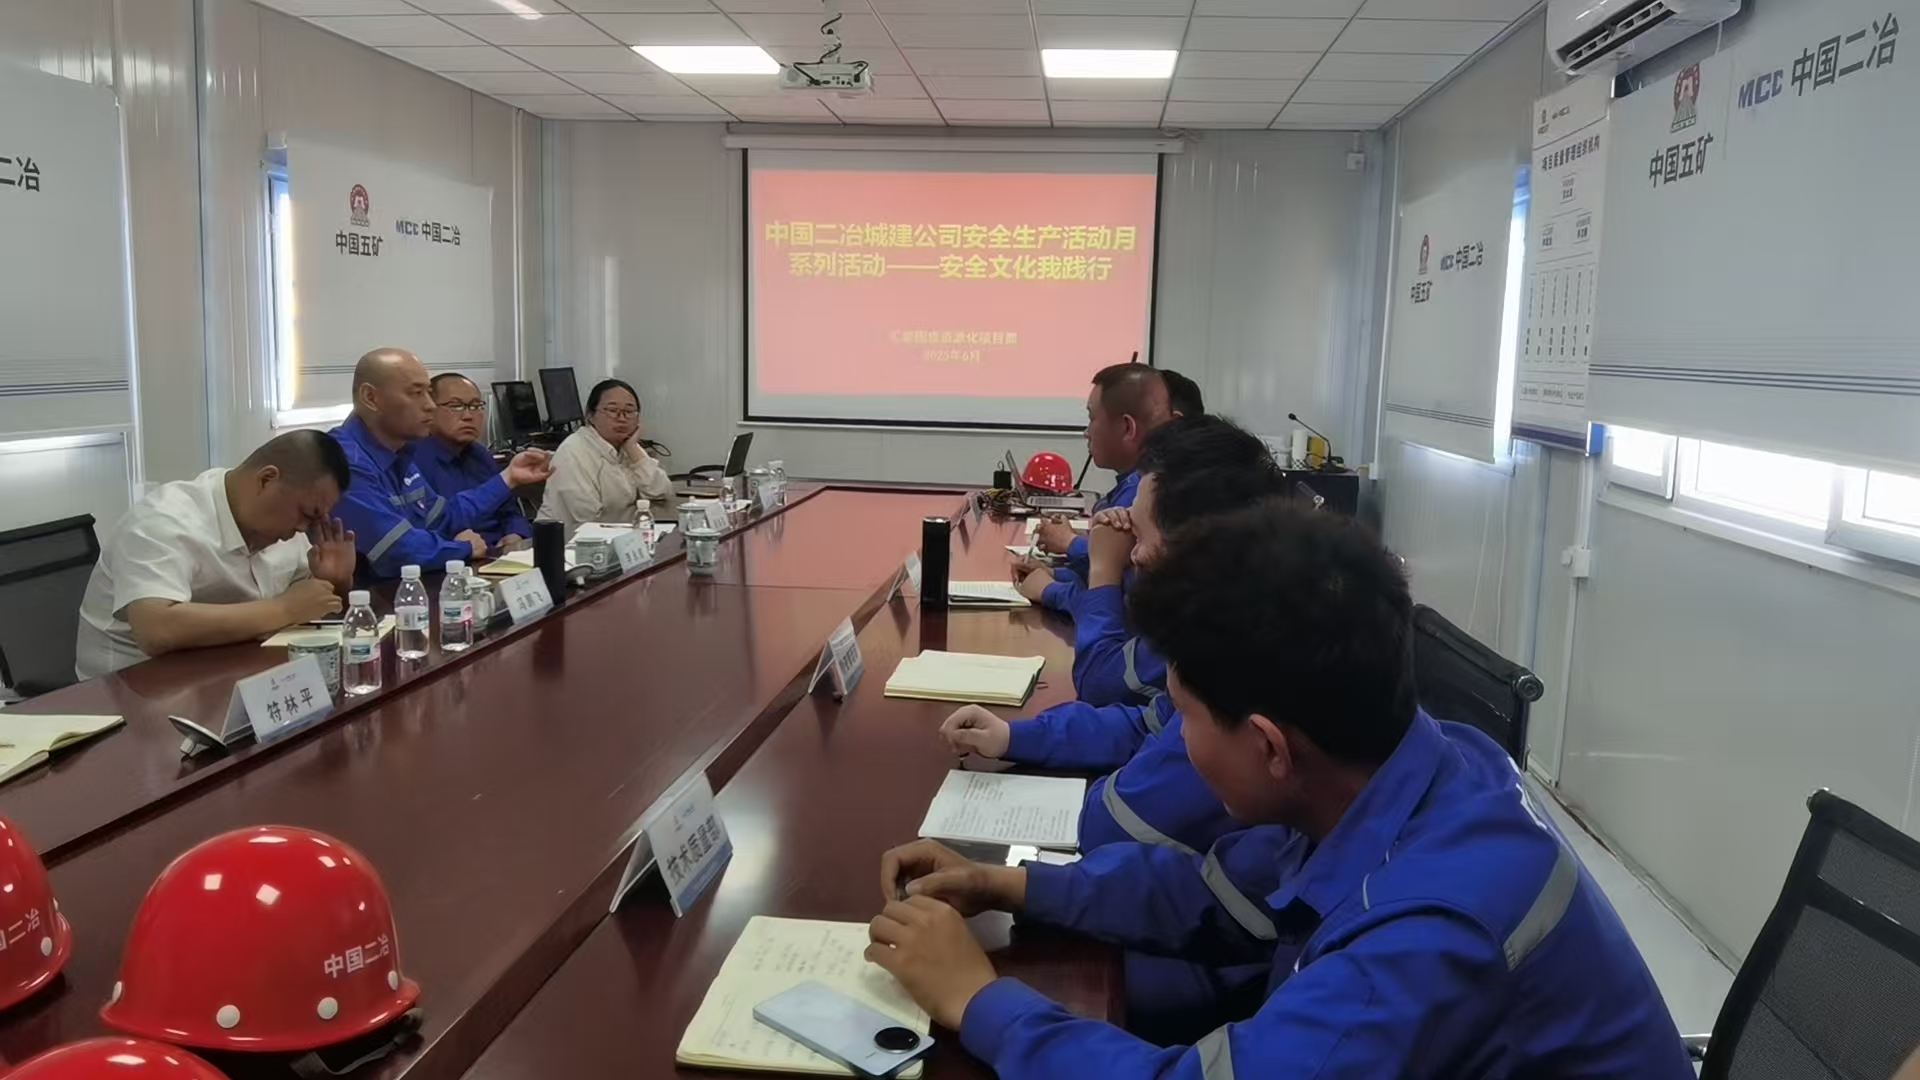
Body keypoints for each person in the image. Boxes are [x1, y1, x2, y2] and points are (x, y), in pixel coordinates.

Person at [869, 504, 1695, 1078]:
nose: (1176, 741)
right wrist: (1009, 884)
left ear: (1267, 746)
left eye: (1184, 718)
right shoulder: (1417, 765)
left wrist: (978, 998)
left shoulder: (1429, 933)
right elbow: (1218, 894)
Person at [941, 417, 1292, 859]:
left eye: (1141, 536)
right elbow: (1145, 723)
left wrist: (1104, 568)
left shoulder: (1232, 672)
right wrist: (1014, 736)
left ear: (1197, 547)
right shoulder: (1234, 624)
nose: (1135, 555)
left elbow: (1107, 824)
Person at [75, 431, 359, 678]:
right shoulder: (161, 522)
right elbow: (156, 629)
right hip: (129, 693)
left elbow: (307, 607)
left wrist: (334, 583)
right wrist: (283, 609)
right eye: (306, 514)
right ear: (266, 479)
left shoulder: (282, 527)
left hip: (230, 674)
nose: (303, 529)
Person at [329, 348, 553, 580]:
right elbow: (395, 549)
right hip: (373, 596)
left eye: (428, 393)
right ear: (371, 398)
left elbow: (442, 517)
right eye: (416, 393)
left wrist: (509, 477)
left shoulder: (399, 451)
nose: (430, 405)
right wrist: (462, 548)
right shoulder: (342, 461)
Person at [1021, 364, 1172, 611]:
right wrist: (1055, 574)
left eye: (1092, 419)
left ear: (1127, 428)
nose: (1087, 432)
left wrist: (1050, 590)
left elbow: (1115, 603)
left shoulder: (1144, 494)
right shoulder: (1134, 484)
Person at [537, 378, 672, 536]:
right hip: (566, 543)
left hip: (621, 540)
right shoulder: (573, 452)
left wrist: (633, 449)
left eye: (629, 412)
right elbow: (586, 520)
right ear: (590, 415)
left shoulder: (627, 446)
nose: (621, 418)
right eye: (612, 410)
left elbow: (662, 492)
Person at [414, 373, 532, 553]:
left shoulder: (481, 455)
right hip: (456, 558)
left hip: (499, 554)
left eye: (476, 406)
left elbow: (510, 511)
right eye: (456, 406)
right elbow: (428, 526)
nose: (468, 416)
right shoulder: (413, 461)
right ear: (429, 410)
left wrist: (515, 534)